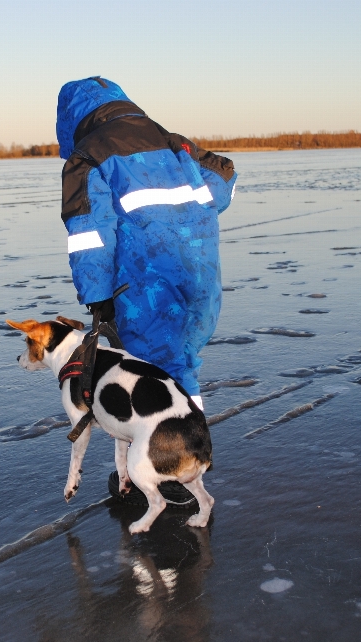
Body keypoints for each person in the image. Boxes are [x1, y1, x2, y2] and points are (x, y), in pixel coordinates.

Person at [56, 77, 237, 410]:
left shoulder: (88, 157)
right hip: (201, 275)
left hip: (146, 284)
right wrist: (187, 216)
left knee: (157, 372)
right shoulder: (171, 142)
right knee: (182, 364)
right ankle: (189, 450)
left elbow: (90, 236)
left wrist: (98, 298)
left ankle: (170, 455)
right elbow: (224, 176)